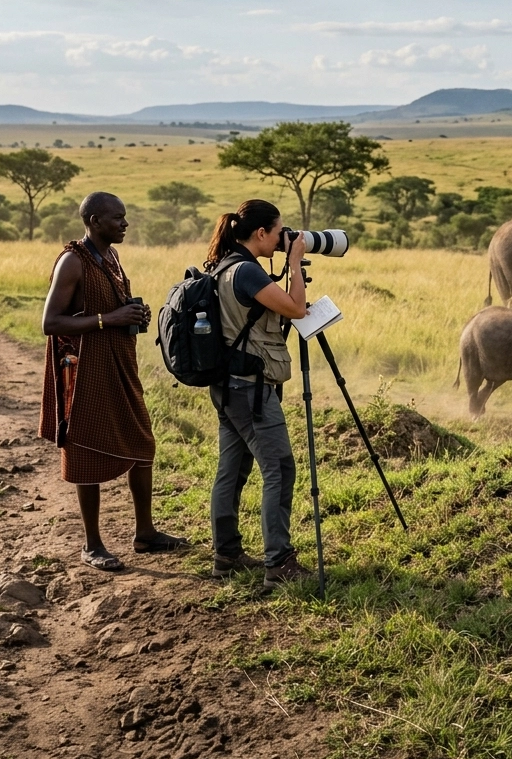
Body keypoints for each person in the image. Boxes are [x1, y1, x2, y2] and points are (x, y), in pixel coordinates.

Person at [39, 191, 187, 571]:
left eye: (125, 217)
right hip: (85, 368)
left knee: (142, 442)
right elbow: (50, 323)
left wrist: (131, 314)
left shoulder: (111, 257)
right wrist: (109, 320)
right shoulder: (73, 262)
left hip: (119, 363)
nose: (125, 224)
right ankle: (92, 545)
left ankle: (146, 533)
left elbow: (109, 308)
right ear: (93, 222)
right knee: (85, 447)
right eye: (117, 218)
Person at [203, 199, 309, 589]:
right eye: (280, 232)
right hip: (252, 390)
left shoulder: (225, 265)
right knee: (279, 469)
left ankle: (226, 554)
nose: (285, 238)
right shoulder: (246, 271)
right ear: (261, 233)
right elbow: (297, 309)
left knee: (232, 470)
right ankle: (278, 563)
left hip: (228, 386)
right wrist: (295, 263)